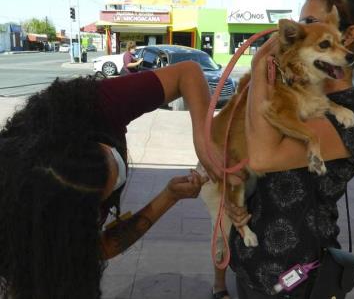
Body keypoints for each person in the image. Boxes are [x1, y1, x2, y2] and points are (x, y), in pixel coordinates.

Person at [0, 61, 226, 298]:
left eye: (109, 153)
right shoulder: (31, 229)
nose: (121, 170)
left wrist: (203, 142)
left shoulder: (96, 104)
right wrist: (169, 197)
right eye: (110, 191)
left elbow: (187, 72)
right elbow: (101, 247)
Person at [225, 0, 354, 298]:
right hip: (249, 263)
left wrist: (260, 64)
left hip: (296, 275)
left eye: (309, 23)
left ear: (346, 37)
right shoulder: (295, 87)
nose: (297, 31)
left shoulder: (352, 112)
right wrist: (238, 202)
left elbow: (263, 158)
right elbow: (242, 154)